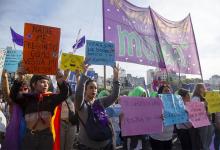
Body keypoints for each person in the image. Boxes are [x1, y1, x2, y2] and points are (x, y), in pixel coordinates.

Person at [9, 68, 70, 150]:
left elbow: (64, 94)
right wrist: (20, 78)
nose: (45, 85)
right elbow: (13, 95)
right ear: (34, 84)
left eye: (47, 83)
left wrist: (60, 81)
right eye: (42, 82)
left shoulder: (51, 98)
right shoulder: (26, 99)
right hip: (29, 137)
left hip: (46, 137)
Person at [75, 63, 120, 150]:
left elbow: (114, 96)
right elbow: (79, 95)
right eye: (91, 87)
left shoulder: (100, 102)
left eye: (95, 88)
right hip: (87, 146)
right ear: (85, 89)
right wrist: (84, 74)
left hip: (106, 145)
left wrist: (116, 78)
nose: (94, 90)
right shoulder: (81, 104)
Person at [149, 84, 174, 150]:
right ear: (160, 93)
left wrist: (184, 113)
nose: (168, 92)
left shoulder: (174, 104)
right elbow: (147, 118)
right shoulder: (154, 104)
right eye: (166, 91)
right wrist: (157, 117)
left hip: (169, 137)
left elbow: (177, 119)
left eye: (169, 91)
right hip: (156, 137)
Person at [191, 83, 214, 150]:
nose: (205, 88)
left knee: (209, 137)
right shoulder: (195, 98)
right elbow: (195, 110)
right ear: (199, 89)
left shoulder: (204, 97)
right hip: (202, 122)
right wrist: (204, 104)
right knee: (203, 139)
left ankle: (206, 148)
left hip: (208, 120)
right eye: (203, 87)